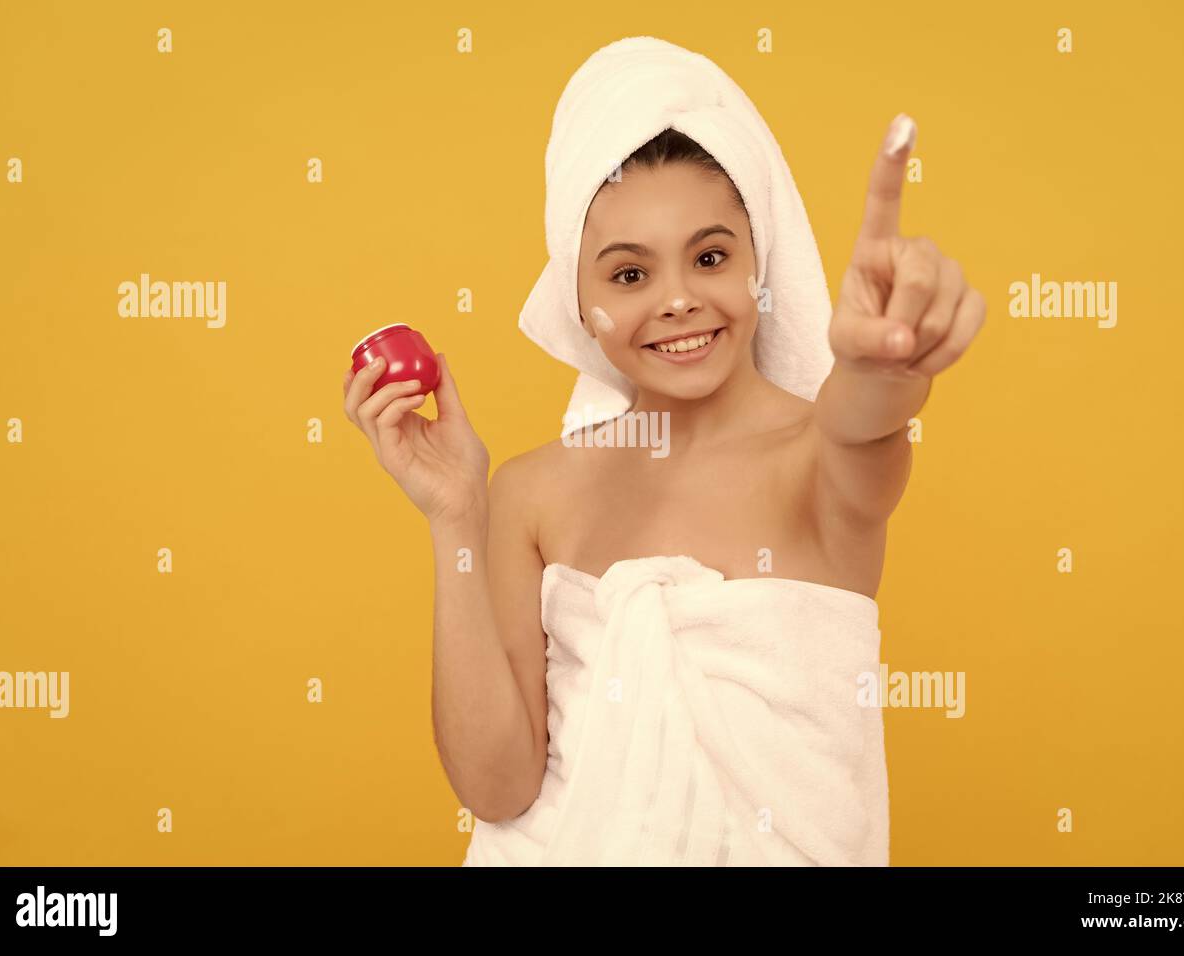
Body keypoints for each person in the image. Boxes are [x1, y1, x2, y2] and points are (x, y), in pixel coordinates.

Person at [343, 39, 984, 865]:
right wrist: (455, 518)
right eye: (628, 275)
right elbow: (496, 788)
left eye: (711, 257)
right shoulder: (533, 492)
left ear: (761, 263)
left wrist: (885, 359)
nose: (679, 300)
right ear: (579, 300)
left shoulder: (818, 455)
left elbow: (870, 418)